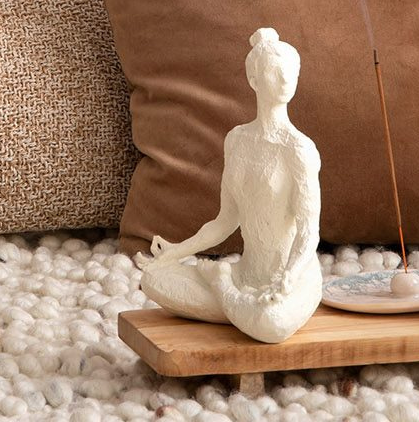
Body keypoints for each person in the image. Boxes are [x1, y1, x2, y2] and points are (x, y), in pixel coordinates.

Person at [137, 26, 323, 344]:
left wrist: (288, 278)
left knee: (272, 324)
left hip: (291, 277)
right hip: (246, 273)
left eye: (291, 72)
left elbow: (309, 232)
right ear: (253, 79)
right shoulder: (238, 141)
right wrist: (174, 252)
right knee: (155, 278)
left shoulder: (298, 149)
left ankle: (223, 288)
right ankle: (238, 305)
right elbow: (225, 221)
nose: (285, 80)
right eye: (276, 72)